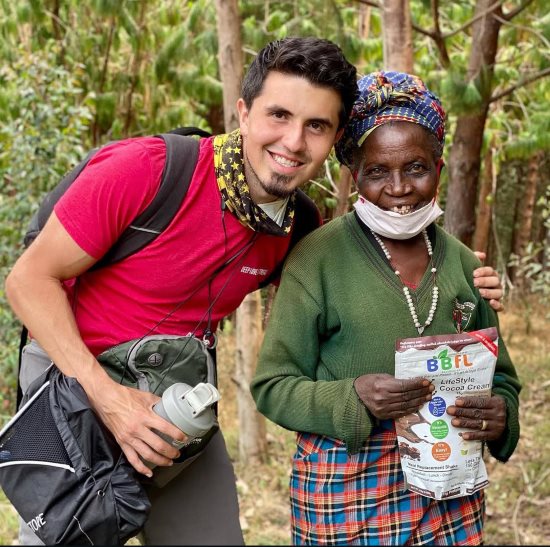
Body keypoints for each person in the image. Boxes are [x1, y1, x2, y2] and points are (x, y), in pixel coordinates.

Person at [5, 37, 502, 545]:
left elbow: (371, 284)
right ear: (243, 112)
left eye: (316, 126)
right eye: (279, 115)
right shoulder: (148, 170)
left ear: (333, 143)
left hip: (176, 401)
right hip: (77, 393)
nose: (292, 142)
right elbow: (27, 280)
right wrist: (109, 399)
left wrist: (464, 275)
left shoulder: (297, 227)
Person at [250, 71, 521, 546]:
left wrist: (502, 414)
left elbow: (502, 377)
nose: (398, 189)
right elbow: (272, 387)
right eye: (377, 171)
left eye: (415, 168)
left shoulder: (460, 262)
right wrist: (353, 397)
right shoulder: (317, 258)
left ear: (439, 168)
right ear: (356, 177)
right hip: (346, 493)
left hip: (450, 491)